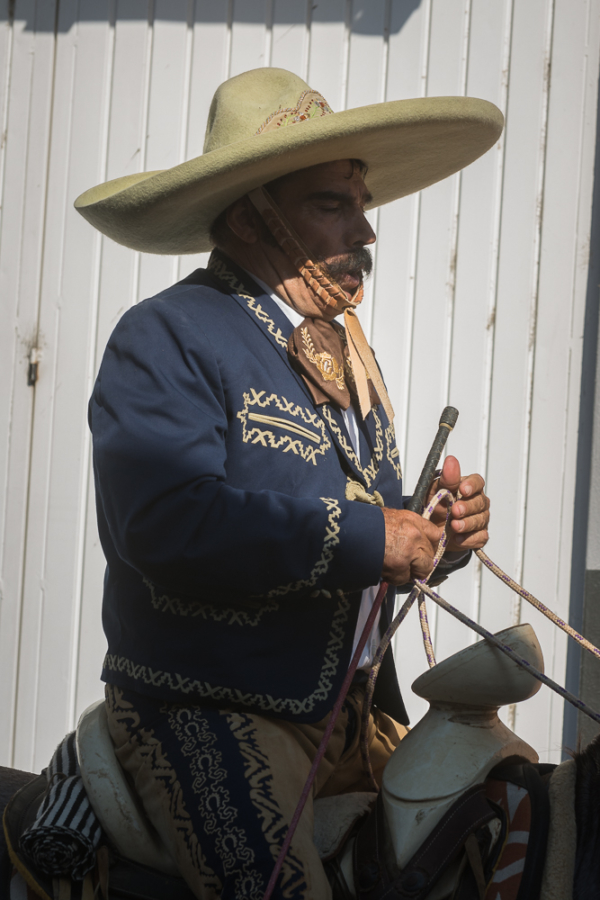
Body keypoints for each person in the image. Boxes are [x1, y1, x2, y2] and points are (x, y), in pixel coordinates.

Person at [76, 67, 500, 899]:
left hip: (349, 715)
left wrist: (434, 537)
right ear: (249, 216)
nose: (365, 229)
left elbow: (366, 530)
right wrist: (377, 537)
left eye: (360, 201)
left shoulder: (346, 354)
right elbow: (165, 524)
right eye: (331, 204)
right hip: (210, 708)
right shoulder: (167, 334)